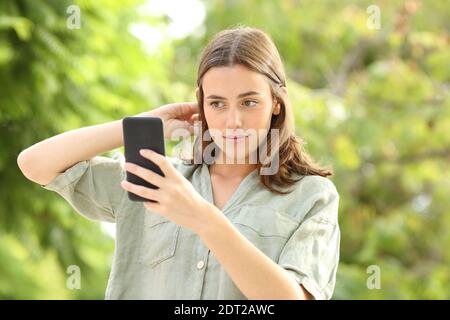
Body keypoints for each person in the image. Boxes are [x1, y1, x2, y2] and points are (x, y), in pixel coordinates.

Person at [17, 26, 340, 300]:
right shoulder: (154, 177)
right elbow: (36, 164)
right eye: (217, 103)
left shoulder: (311, 195)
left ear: (276, 104)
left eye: (249, 102)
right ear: (201, 105)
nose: (233, 121)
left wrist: (203, 218)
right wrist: (141, 124)